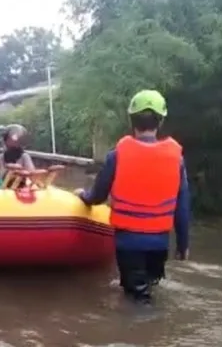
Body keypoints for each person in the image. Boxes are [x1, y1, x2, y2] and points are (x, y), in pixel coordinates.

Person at [74, 89, 190, 304]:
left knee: (136, 297)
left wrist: (83, 196)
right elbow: (182, 207)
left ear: (131, 120)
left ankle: (142, 333)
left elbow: (98, 196)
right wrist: (183, 244)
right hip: (159, 245)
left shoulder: (117, 155)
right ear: (161, 121)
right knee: (149, 287)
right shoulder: (177, 159)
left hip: (129, 243)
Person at [0, 124, 35, 190]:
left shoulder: (24, 156)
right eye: (8, 139)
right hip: (4, 187)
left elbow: (31, 173)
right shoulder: (2, 156)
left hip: (18, 187)